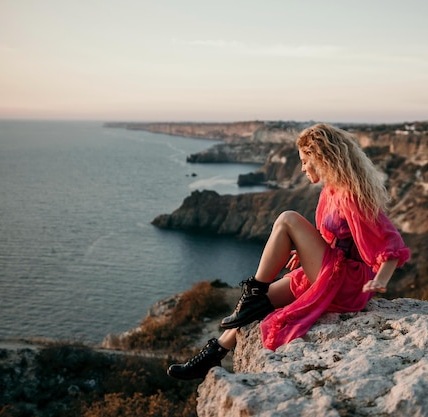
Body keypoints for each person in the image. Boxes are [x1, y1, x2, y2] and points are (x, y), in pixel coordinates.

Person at [167, 123, 410, 380]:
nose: (303, 168)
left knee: (287, 219)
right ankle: (213, 354)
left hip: (347, 282)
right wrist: (306, 251)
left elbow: (390, 242)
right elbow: (333, 236)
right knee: (255, 307)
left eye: (306, 161)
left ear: (322, 158)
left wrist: (381, 279)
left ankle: (255, 290)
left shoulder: (350, 195)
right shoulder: (330, 191)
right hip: (328, 270)